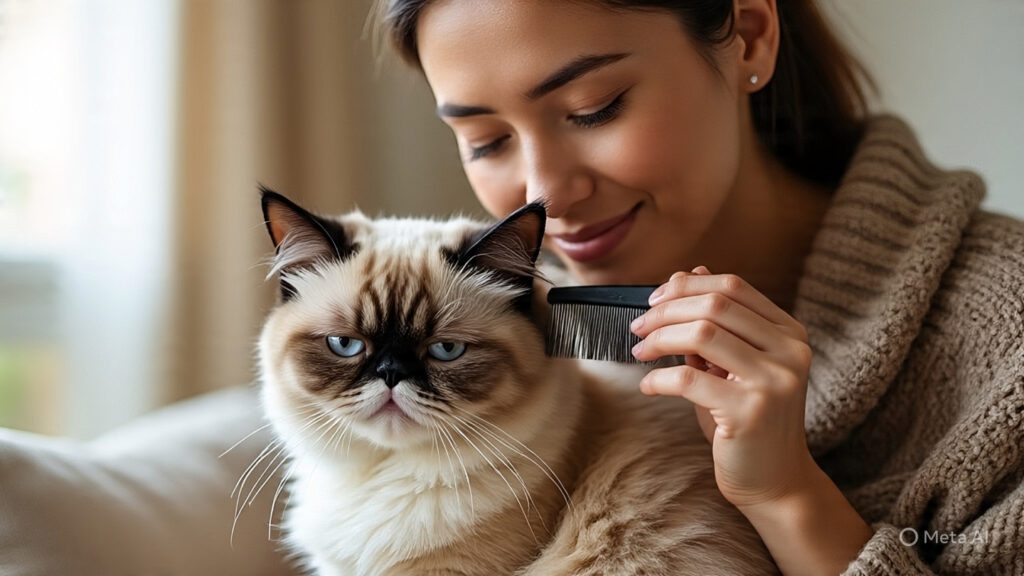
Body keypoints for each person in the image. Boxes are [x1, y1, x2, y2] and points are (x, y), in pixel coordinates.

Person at [373, 0, 1024, 574]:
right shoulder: (504, 347)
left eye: (593, 110)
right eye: (486, 142)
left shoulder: (1007, 336)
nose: (544, 193)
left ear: (750, 35)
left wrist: (788, 498)